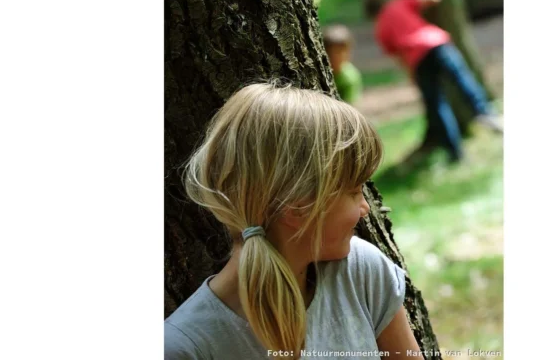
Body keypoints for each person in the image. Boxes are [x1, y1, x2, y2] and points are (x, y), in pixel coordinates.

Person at [164, 82, 421, 359]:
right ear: (298, 207)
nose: (364, 209)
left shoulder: (361, 272)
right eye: (355, 191)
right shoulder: (185, 348)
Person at [364, 0, 503, 163]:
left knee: (437, 103)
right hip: (436, 44)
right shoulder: (398, 3)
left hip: (418, 59)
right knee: (461, 78)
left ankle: (455, 152)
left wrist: (412, 74)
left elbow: (400, 57)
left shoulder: (380, 29)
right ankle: (484, 113)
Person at [322, 24, 363, 105]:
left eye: (341, 52)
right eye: (332, 53)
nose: (337, 57)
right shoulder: (321, 71)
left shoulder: (350, 77)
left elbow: (351, 105)